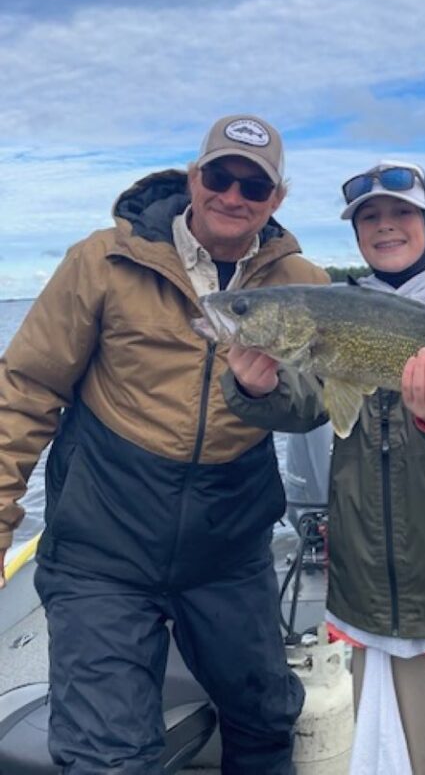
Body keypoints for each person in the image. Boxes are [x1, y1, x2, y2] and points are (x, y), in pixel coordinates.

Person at [0, 114, 330, 774]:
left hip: (229, 548)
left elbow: (316, 403)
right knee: (107, 755)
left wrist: (262, 394)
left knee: (266, 723)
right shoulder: (101, 260)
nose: (233, 196)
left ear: (277, 199)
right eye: (220, 176)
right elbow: (26, 389)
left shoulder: (304, 282)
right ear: (193, 177)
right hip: (104, 548)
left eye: (254, 185)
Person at [224, 160, 425, 775]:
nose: (386, 226)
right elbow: (310, 401)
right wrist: (255, 388)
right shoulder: (333, 312)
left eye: (402, 213)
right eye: (369, 218)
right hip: (372, 611)